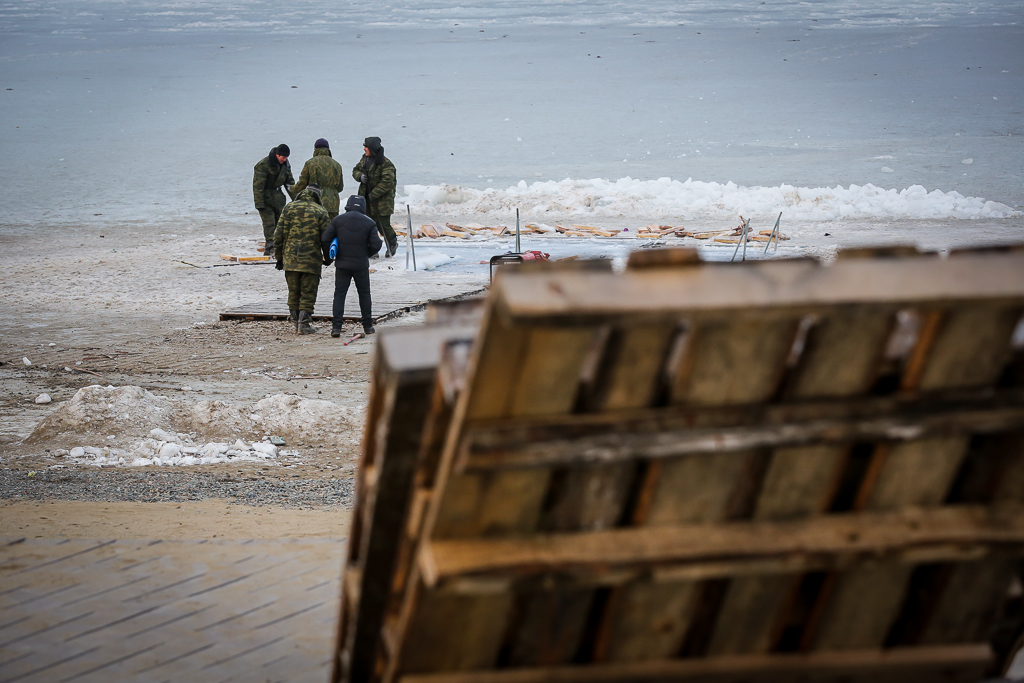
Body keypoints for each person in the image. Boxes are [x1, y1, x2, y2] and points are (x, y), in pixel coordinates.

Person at [321, 195, 382, 338]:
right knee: (364, 294)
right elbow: (377, 244)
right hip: (360, 264)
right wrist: (366, 253)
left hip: (342, 264)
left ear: (348, 205)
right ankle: (368, 326)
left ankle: (336, 328)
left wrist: (331, 256)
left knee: (340, 294)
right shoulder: (369, 222)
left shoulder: (337, 220)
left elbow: (325, 238)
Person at [274, 183, 330, 334]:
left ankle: (295, 322)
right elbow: (326, 239)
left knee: (293, 291)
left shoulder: (288, 208)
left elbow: (278, 235)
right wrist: (328, 258)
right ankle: (304, 324)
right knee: (308, 292)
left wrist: (279, 258)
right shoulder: (321, 211)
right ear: (318, 196)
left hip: (290, 258)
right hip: (311, 260)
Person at [352, 136, 398, 257]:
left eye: (366, 146)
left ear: (372, 148)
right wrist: (360, 176)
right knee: (367, 225)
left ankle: (392, 243)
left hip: (382, 201)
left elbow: (387, 183)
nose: (364, 149)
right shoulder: (364, 159)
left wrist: (373, 194)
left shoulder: (386, 164)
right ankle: (373, 249)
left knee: (383, 225)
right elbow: (355, 170)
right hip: (365, 199)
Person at [252, 144, 295, 259]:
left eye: (286, 157)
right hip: (265, 198)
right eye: (283, 157)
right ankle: (270, 249)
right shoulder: (263, 165)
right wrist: (259, 203)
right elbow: (258, 186)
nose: (285, 159)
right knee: (269, 224)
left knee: (280, 223)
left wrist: (297, 200)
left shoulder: (286, 165)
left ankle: (279, 249)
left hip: (278, 198)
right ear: (277, 155)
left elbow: (290, 183)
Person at [291, 138, 345, 219]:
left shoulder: (310, 163)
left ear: (315, 149)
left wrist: (291, 188)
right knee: (331, 229)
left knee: (315, 229)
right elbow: (340, 187)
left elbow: (302, 184)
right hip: (333, 205)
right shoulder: (337, 165)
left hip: (315, 203)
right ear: (328, 149)